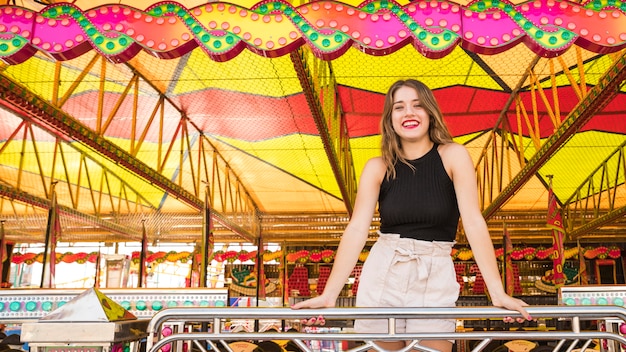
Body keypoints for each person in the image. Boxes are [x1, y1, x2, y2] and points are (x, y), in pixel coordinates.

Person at [292, 79, 532, 352]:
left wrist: (497, 292)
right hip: (384, 270)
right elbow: (357, 229)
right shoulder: (377, 167)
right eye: (399, 107)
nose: (409, 113)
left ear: (430, 113)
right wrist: (329, 294)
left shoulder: (453, 156)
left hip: (435, 271)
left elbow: (474, 222)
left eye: (417, 105)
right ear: (390, 119)